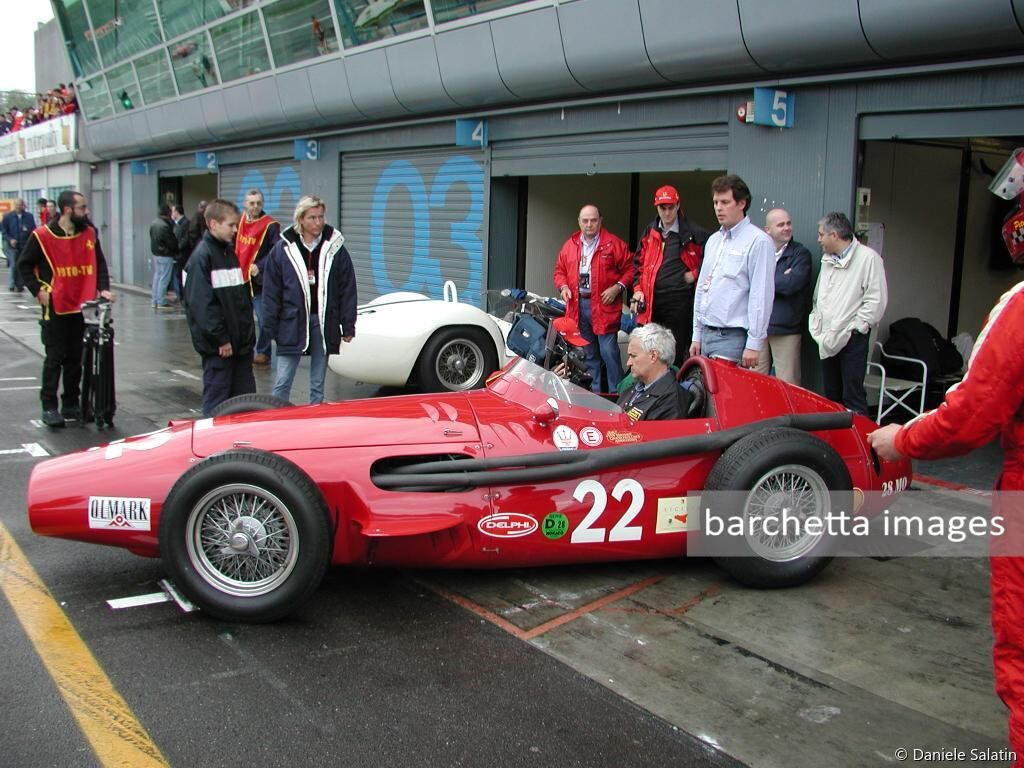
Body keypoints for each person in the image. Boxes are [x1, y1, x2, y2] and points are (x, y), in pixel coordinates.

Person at [17, 191, 114, 427]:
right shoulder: (42, 236)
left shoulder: (89, 233)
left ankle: (71, 403)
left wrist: (103, 288)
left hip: (81, 305)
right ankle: (49, 406)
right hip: (56, 307)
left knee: (75, 358)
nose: (87, 212)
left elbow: (98, 262)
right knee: (54, 358)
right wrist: (39, 290)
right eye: (82, 208)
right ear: (68, 210)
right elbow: (24, 264)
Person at [261, 195, 357, 404]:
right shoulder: (283, 249)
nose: (318, 222)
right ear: (301, 219)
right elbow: (271, 291)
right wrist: (269, 327)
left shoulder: (335, 248)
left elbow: (347, 288)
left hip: (323, 322)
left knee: (318, 383)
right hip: (291, 321)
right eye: (312, 217)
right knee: (283, 380)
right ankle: (277, 420)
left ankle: (315, 423)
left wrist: (348, 325)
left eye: (321, 217)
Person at [690, 174, 775, 368]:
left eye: (725, 202)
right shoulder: (713, 241)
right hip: (707, 333)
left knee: (728, 396)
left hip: (733, 336)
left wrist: (754, 343)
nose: (719, 208)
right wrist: (697, 334)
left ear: (741, 203)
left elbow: (760, 295)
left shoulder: (758, 241)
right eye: (715, 202)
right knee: (706, 395)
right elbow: (702, 289)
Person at [182, 199, 256, 417]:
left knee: (243, 404)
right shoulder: (202, 257)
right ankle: (211, 448)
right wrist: (221, 338)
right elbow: (202, 306)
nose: (235, 230)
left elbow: (239, 301)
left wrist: (246, 337)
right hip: (221, 349)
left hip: (239, 346)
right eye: (231, 225)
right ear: (213, 224)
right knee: (217, 406)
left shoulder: (227, 253)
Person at [809, 212, 887, 415]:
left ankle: (859, 444)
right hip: (827, 337)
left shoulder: (869, 258)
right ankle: (835, 444)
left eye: (821, 235)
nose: (819, 240)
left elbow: (876, 300)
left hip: (853, 338)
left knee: (853, 396)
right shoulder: (828, 260)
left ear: (833, 235)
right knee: (831, 395)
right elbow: (819, 296)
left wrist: (857, 328)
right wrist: (817, 323)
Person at [553, 204, 633, 393]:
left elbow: (631, 268)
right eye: (585, 220)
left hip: (604, 306)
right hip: (578, 306)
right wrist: (563, 287)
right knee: (589, 355)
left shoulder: (613, 244)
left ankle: (617, 395)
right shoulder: (570, 245)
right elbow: (559, 271)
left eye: (593, 220)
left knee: (609, 353)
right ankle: (595, 395)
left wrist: (617, 288)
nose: (589, 224)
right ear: (579, 222)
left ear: (600, 221)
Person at [632, 185, 708, 365]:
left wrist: (696, 273)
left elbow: (714, 260)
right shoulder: (650, 231)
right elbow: (637, 263)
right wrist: (637, 289)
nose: (667, 213)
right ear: (657, 208)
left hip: (680, 301)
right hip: (652, 301)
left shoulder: (693, 232)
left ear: (678, 205)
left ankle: (675, 388)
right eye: (662, 208)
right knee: (651, 346)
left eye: (671, 207)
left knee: (676, 347)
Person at [753, 208, 812, 385]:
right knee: (755, 382)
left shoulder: (800, 253)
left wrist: (764, 280)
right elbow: (748, 281)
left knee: (789, 384)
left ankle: (789, 414)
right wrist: (779, 278)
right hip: (759, 327)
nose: (786, 228)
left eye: (788, 223)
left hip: (787, 328)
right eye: (780, 225)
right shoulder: (759, 252)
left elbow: (792, 284)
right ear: (767, 230)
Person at [235, 188, 280, 366]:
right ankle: (245, 349)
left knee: (263, 320)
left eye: (259, 203)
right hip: (238, 279)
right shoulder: (238, 222)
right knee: (241, 318)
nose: (255, 206)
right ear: (245, 204)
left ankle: (263, 352)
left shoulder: (270, 225)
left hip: (259, 281)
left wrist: (259, 266)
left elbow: (276, 251)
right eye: (252, 203)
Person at [617, 323, 687, 421]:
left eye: (633, 356)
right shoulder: (637, 386)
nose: (629, 363)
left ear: (653, 356)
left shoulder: (670, 401)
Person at [149, 204, 178, 309]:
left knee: (157, 277)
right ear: (168, 213)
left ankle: (154, 300)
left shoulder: (154, 223)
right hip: (165, 254)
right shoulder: (165, 225)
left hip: (156, 254)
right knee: (164, 278)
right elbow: (171, 242)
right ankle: (161, 301)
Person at [2, 198, 35, 292]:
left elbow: (33, 230)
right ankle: (12, 284)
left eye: (20, 205)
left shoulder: (29, 216)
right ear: (14, 205)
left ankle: (20, 284)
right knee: (13, 264)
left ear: (23, 205)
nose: (18, 207)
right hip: (11, 245)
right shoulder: (8, 216)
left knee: (21, 264)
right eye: (17, 205)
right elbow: (4, 230)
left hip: (24, 244)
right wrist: (10, 239)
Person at [170, 204, 190, 303]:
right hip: (178, 255)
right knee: (178, 276)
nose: (172, 213)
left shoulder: (186, 223)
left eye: (173, 211)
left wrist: (177, 248)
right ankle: (181, 295)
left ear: (177, 212)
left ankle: (184, 296)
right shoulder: (176, 224)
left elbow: (185, 240)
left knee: (183, 277)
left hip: (183, 256)